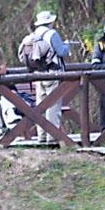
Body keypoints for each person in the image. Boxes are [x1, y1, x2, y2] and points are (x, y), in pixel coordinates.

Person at [32, 10, 70, 143]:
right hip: (52, 73)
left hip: (38, 73)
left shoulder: (34, 34)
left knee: (41, 105)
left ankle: (41, 135)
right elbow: (61, 51)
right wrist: (67, 45)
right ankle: (52, 135)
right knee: (53, 105)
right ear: (50, 22)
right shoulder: (52, 34)